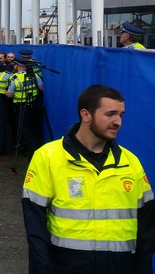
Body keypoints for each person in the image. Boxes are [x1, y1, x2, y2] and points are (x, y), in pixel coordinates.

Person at [22, 85, 154, 274]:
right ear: (86, 115)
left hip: (121, 266)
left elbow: (147, 226)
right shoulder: (48, 157)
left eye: (121, 115)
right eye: (110, 114)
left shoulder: (130, 162)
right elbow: (35, 226)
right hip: (68, 266)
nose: (118, 122)